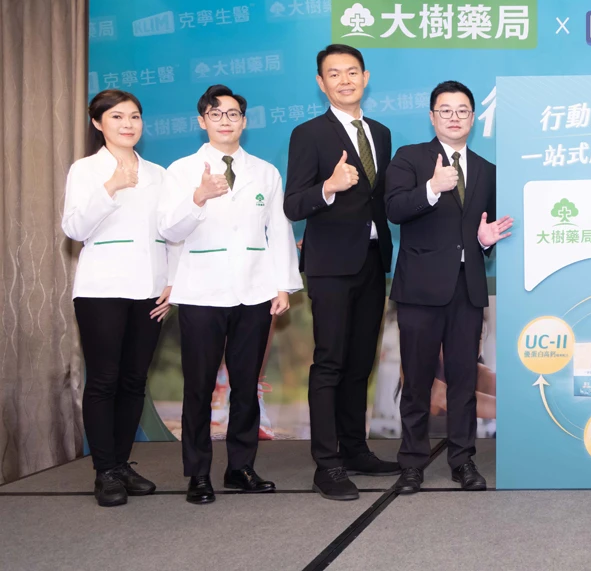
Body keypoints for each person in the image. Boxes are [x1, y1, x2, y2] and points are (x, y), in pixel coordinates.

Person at [159, 84, 303, 504]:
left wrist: (283, 284)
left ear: (245, 121)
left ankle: (241, 467)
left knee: (246, 384)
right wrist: (199, 198)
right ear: (202, 120)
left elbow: (279, 230)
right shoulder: (181, 170)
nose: (226, 120)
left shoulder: (265, 172)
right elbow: (168, 229)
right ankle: (198, 473)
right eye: (216, 113)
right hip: (201, 292)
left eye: (233, 114)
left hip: (255, 291)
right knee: (199, 386)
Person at [384, 80, 513, 495]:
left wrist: (485, 242)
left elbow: (483, 228)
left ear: (473, 118)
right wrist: (431, 189)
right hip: (420, 290)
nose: (454, 117)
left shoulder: (488, 170)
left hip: (467, 289)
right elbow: (394, 209)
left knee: (462, 381)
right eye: (445, 110)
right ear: (432, 116)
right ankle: (412, 463)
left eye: (462, 111)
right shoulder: (410, 158)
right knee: (417, 382)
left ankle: (463, 460)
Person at [283, 44, 399, 501]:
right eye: (334, 74)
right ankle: (327, 464)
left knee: (360, 361)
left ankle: (355, 450)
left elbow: (379, 198)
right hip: (330, 264)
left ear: (365, 77)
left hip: (372, 259)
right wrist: (328, 187)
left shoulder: (381, 133)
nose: (345, 80)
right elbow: (294, 203)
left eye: (352, 72)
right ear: (321, 83)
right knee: (330, 362)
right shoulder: (308, 134)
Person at [62, 90, 176, 507]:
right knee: (104, 380)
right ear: (98, 123)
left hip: (150, 290)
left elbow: (172, 231)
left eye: (134, 116)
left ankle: (122, 463)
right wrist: (111, 186)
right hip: (102, 289)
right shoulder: (86, 170)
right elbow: (74, 228)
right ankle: (104, 471)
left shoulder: (159, 174)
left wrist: (173, 281)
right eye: (117, 116)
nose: (128, 124)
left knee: (134, 381)